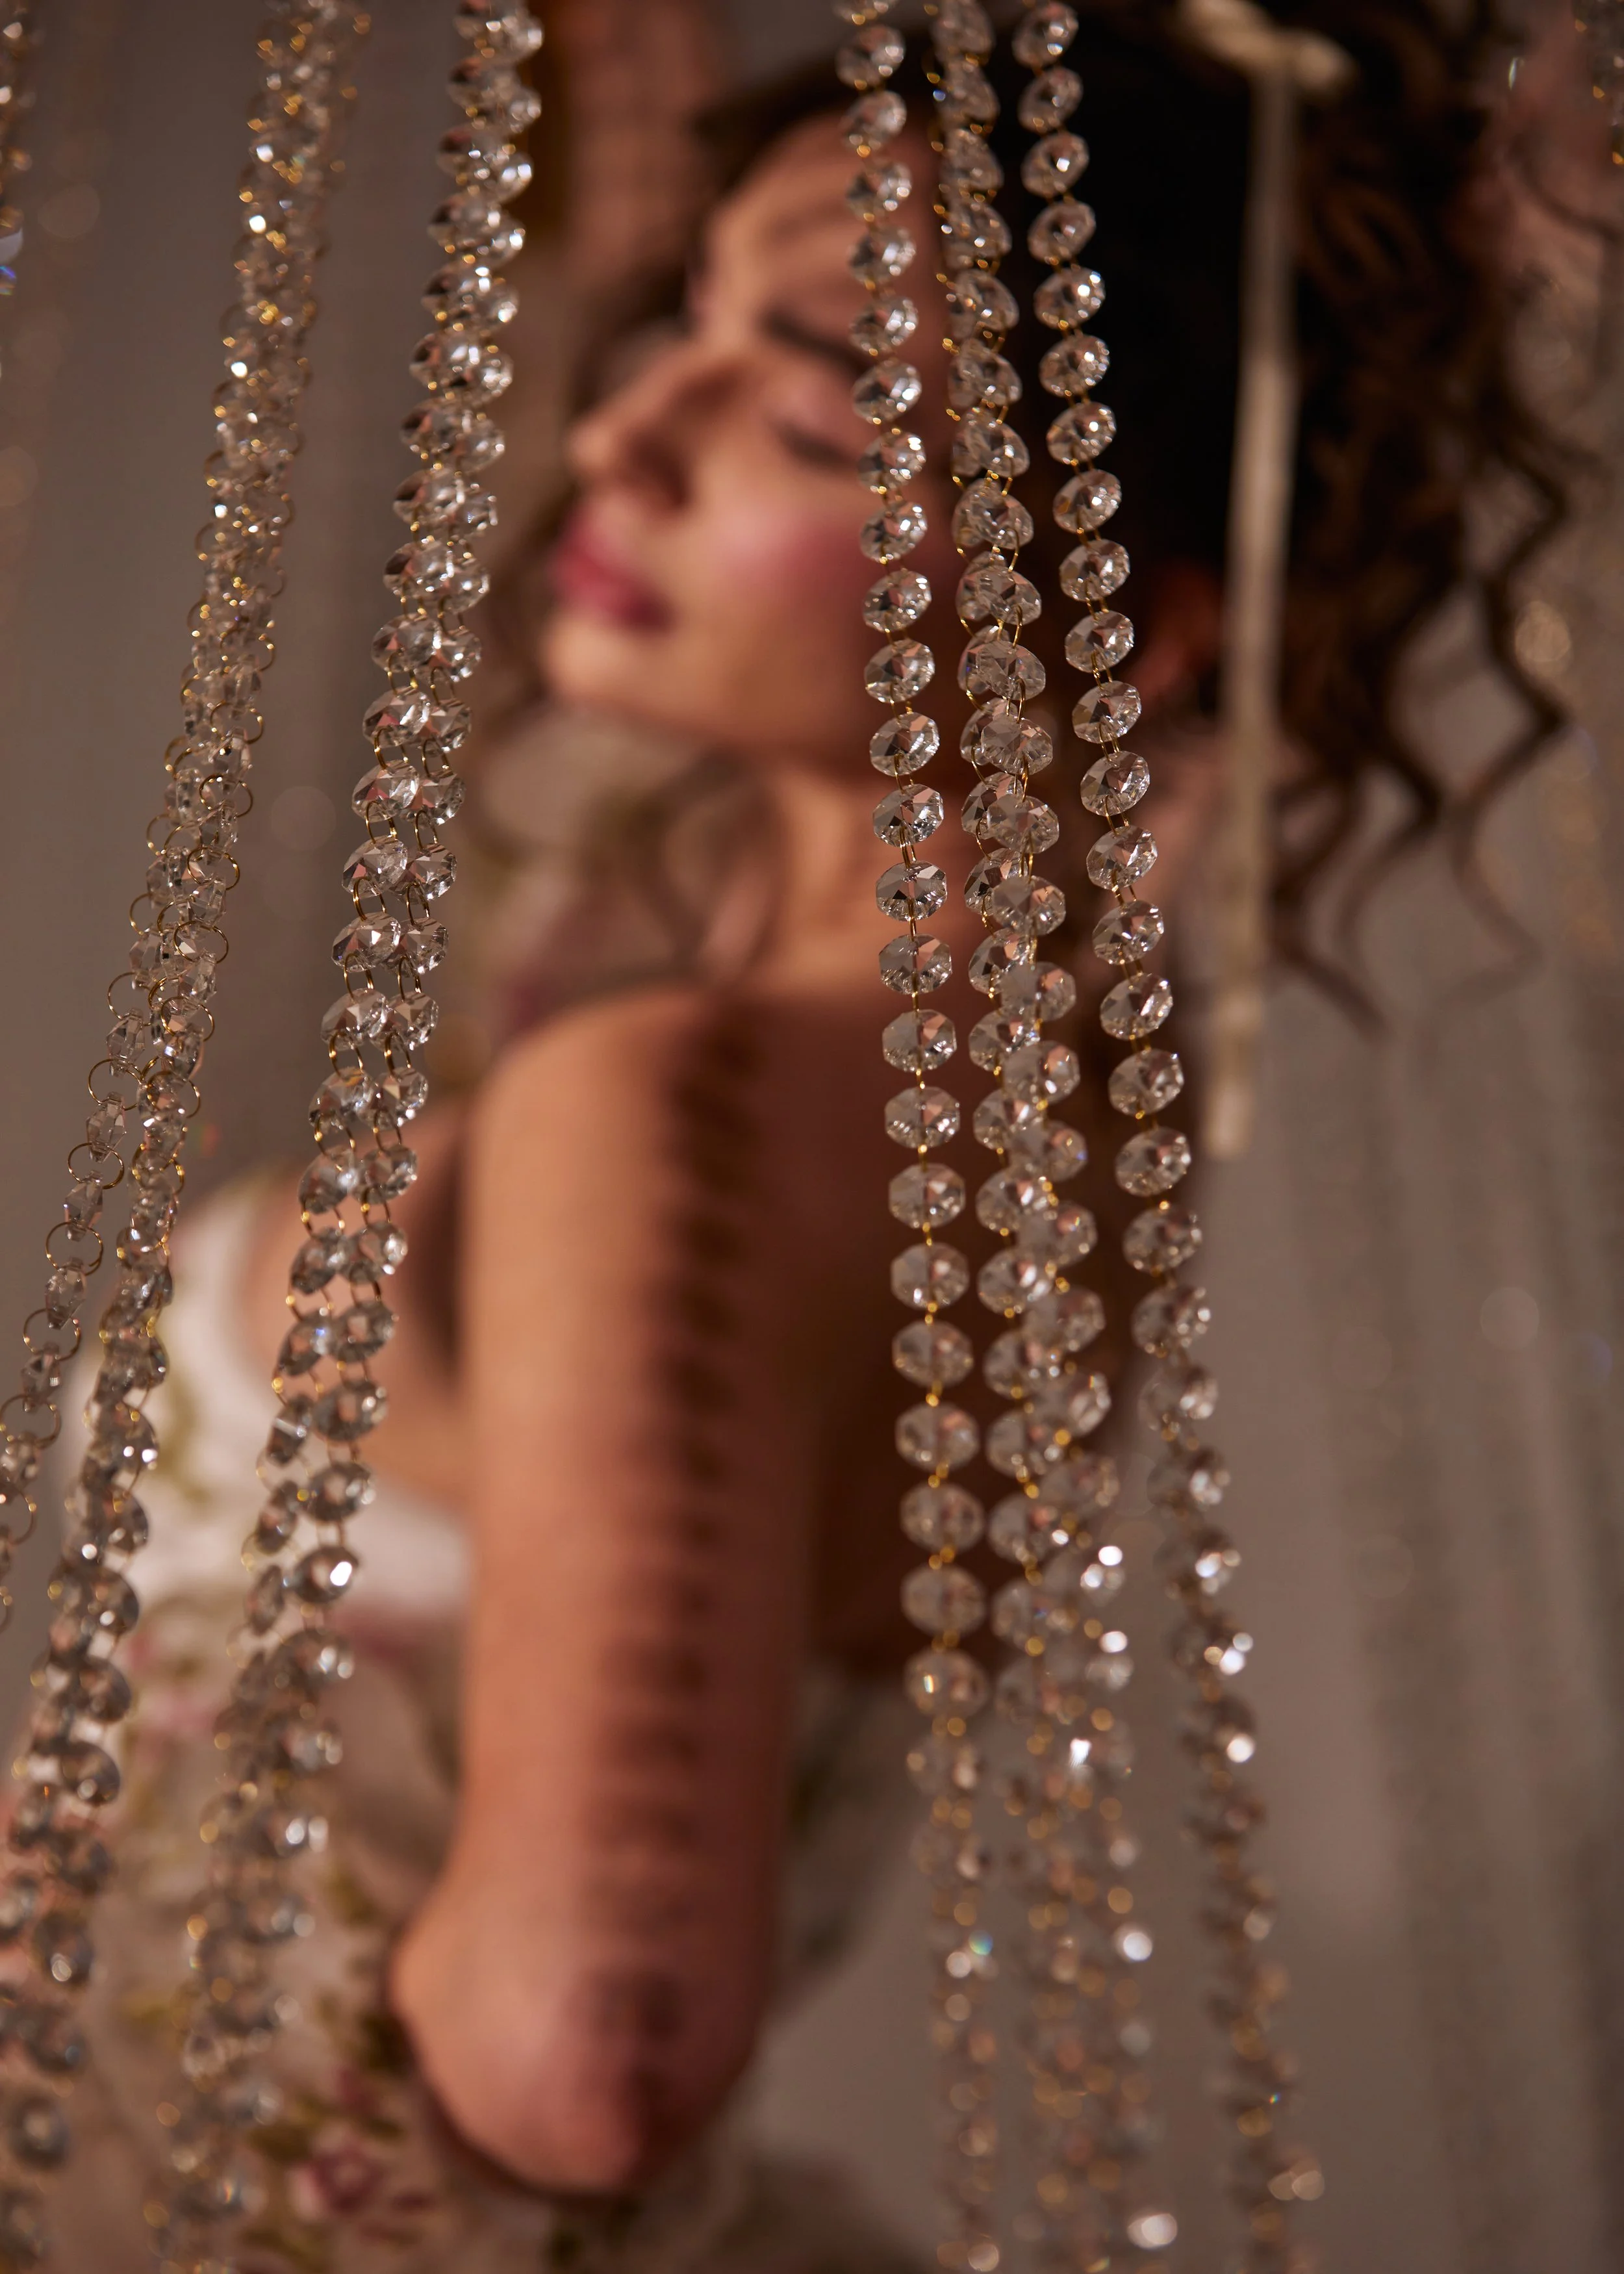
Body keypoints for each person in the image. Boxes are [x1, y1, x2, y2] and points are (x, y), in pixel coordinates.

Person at [52, 8, 1577, 2269]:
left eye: (801, 416)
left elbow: (595, 2044)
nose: (624, 432)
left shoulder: (665, 1112)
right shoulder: (1042, 1127)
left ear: (1124, 625)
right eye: (678, 327)